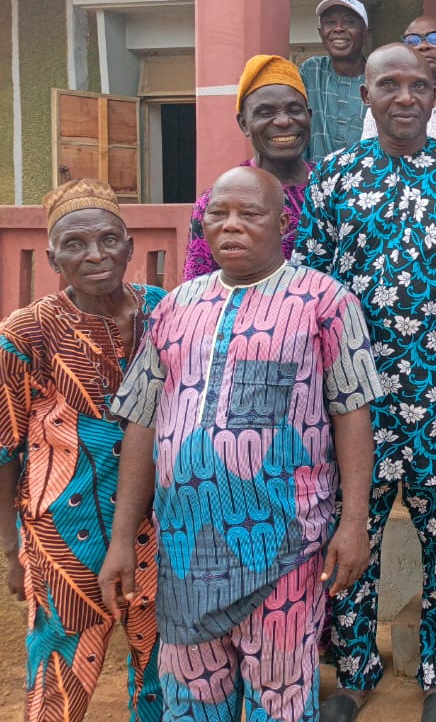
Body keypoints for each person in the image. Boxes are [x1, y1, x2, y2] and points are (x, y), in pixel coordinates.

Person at [98, 166, 379, 722]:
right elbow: (142, 422)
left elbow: (353, 413)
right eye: (218, 214)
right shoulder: (174, 308)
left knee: (281, 698)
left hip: (286, 547)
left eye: (249, 214)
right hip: (184, 552)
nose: (231, 225)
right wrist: (122, 538)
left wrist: (353, 523)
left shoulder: (325, 302)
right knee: (192, 700)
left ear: (283, 223)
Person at [295, 43, 436, 722]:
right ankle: (354, 673)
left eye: (418, 85)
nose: (405, 97)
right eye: (389, 85)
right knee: (353, 538)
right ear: (365, 96)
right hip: (355, 401)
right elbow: (310, 287)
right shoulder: (333, 177)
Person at [0, 180, 162, 722]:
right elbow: (5, 448)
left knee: (160, 661)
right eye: (74, 244)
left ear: (129, 246)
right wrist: (12, 551)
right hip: (63, 537)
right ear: (53, 259)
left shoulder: (164, 313)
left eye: (109, 240)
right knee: (60, 669)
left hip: (159, 523)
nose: (95, 255)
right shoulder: (23, 334)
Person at [184, 54, 314, 279]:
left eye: (294, 110)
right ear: (244, 123)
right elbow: (198, 287)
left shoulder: (336, 187)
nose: (284, 121)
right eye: (266, 113)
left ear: (309, 116)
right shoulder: (219, 200)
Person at [361, 15, 436, 143]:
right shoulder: (383, 104)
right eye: (413, 41)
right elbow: (369, 150)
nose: (423, 46)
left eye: (434, 38)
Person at [303, 0, 370, 160]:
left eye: (349, 22)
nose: (338, 28)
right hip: (315, 174)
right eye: (330, 23)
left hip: (365, 175)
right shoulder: (311, 71)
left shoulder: (379, 79)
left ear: (365, 34)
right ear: (321, 33)